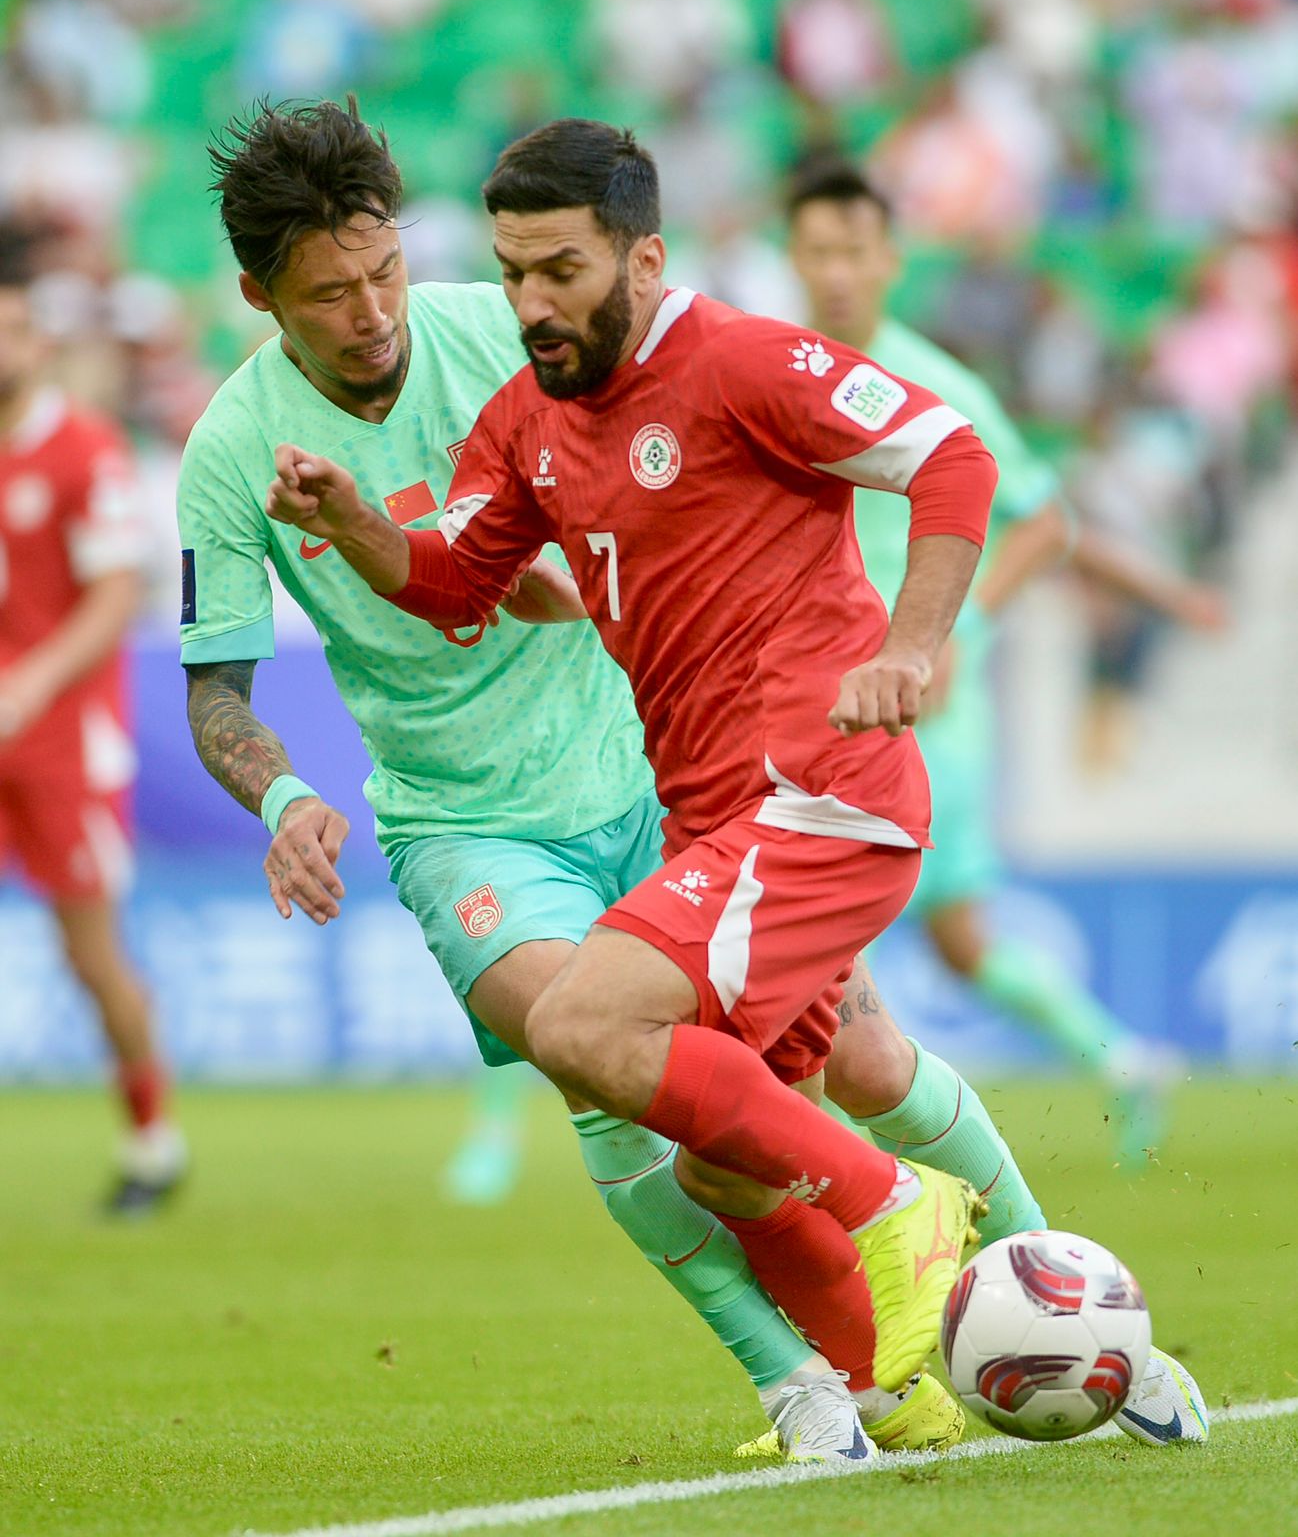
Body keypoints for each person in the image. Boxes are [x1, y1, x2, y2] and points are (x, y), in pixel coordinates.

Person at [182, 97, 1014, 1462]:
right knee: (606, 1072)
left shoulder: (508, 332)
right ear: (258, 297)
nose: (373, 312)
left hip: (664, 783)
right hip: (466, 822)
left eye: (385, 271)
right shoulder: (228, 450)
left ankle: (1043, 1283)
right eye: (329, 294)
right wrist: (285, 793)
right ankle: (818, 1388)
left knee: (850, 1062)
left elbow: (901, 457)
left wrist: (899, 642)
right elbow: (229, 682)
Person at [780, 156, 1209, 1446]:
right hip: (788, 720)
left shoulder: (934, 383)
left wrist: (945, 627)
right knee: (875, 992)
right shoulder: (768, 367)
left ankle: (909, 1288)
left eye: (853, 248)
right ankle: (1096, 1091)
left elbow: (1039, 520)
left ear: (888, 257)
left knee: (838, 1011)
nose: (833, 271)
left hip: (903, 718)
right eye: (814, 249)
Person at [0, 248, 186, 1214]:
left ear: (38, 344)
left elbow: (117, 592)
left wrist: (30, 682)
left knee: (89, 951)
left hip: (60, 741)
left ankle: (152, 1140)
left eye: (11, 331)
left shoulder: (82, 450)